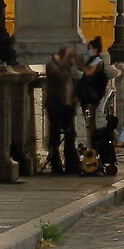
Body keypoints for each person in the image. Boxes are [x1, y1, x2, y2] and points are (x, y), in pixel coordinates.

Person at [75, 38, 116, 175]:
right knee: (89, 123)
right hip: (88, 96)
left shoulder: (97, 61)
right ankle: (91, 149)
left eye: (91, 48)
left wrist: (78, 63)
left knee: (90, 124)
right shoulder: (93, 60)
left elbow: (88, 72)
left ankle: (92, 150)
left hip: (91, 97)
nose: (89, 50)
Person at [42, 45, 81, 174]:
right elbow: (61, 78)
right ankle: (55, 162)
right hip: (56, 106)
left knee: (70, 134)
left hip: (67, 106)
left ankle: (71, 163)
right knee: (55, 135)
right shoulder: (53, 66)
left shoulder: (67, 67)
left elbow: (75, 80)